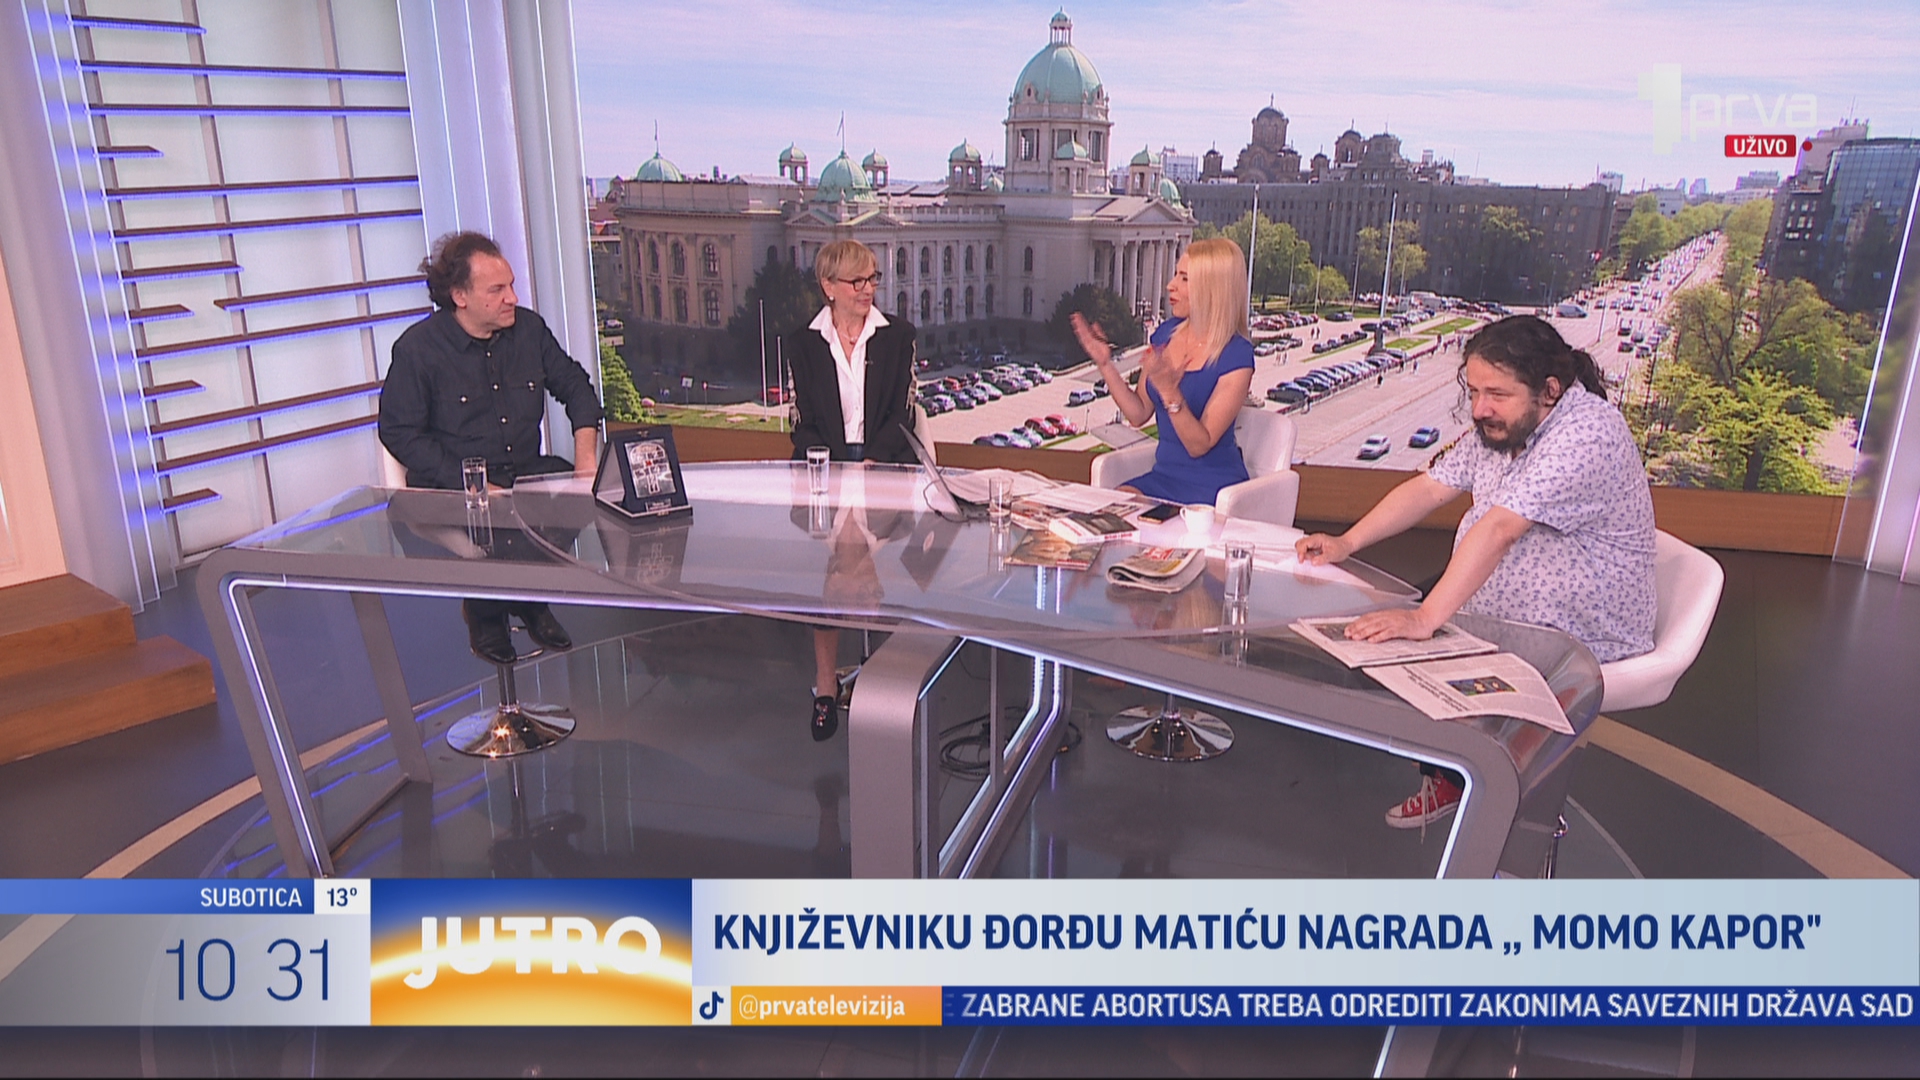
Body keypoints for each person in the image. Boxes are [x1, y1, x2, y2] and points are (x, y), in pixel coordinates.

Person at [1295, 315, 1655, 828]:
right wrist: (1346, 542)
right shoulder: (1507, 426)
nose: (1480, 408)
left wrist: (1425, 619)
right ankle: (1452, 763)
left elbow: (1500, 529)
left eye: (1497, 394)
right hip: (1506, 605)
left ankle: (1477, 782)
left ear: (1550, 391)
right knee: (1381, 626)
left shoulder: (1587, 433)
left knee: (1415, 632)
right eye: (1475, 391)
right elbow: (1430, 489)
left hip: (1580, 631)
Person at [379, 231, 603, 665]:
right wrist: (476, 486)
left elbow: (577, 388)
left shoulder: (530, 331)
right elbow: (400, 433)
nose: (512, 298)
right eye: (497, 290)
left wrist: (586, 461)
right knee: (495, 524)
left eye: (512, 286)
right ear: (460, 296)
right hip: (451, 485)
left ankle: (523, 595)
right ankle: (491, 613)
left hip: (522, 474)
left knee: (577, 498)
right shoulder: (418, 350)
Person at [785, 239, 919, 740]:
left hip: (884, 464)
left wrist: (870, 463)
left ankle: (890, 686)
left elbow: (901, 414)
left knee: (875, 555)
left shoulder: (898, 336)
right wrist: (836, 470)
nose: (867, 289)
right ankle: (826, 685)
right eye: (856, 281)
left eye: (872, 279)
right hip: (825, 469)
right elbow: (803, 422)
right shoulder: (803, 343)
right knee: (826, 563)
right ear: (829, 287)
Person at [1070, 237, 1255, 505]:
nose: (1171, 285)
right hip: (1163, 478)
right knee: (1112, 507)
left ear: (1212, 289)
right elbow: (1138, 413)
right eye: (1175, 275)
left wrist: (1169, 392)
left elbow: (1199, 444)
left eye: (1184, 278)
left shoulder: (1237, 355)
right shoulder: (1165, 335)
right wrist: (1105, 364)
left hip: (1214, 488)